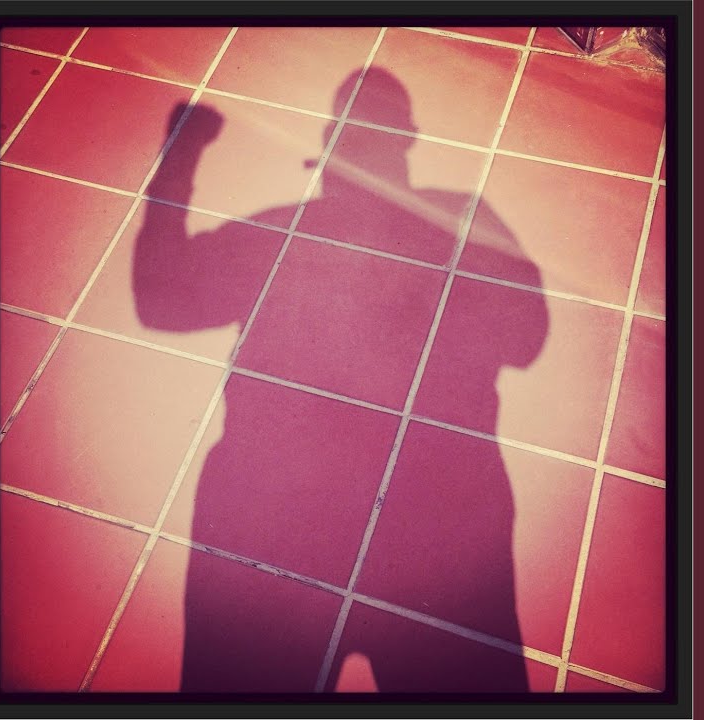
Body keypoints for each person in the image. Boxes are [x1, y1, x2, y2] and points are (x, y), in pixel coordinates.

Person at [131, 68, 548, 693]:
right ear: (407, 142)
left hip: (269, 520)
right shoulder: (463, 219)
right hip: (441, 521)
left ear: (329, 148)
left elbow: (161, 301)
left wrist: (179, 157)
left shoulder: (276, 234)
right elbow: (527, 339)